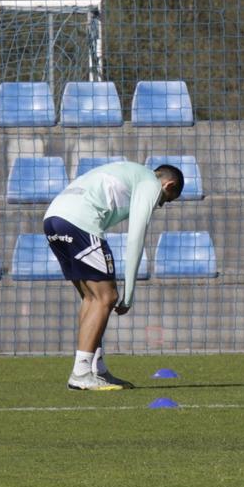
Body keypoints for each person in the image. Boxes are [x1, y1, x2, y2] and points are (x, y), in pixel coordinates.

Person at [43, 159, 184, 390]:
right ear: (168, 186)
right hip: (80, 223)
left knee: (91, 298)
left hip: (52, 220)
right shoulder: (150, 183)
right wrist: (128, 294)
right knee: (106, 297)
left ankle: (96, 369)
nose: (160, 205)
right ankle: (80, 373)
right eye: (165, 201)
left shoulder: (131, 172)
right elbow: (136, 237)